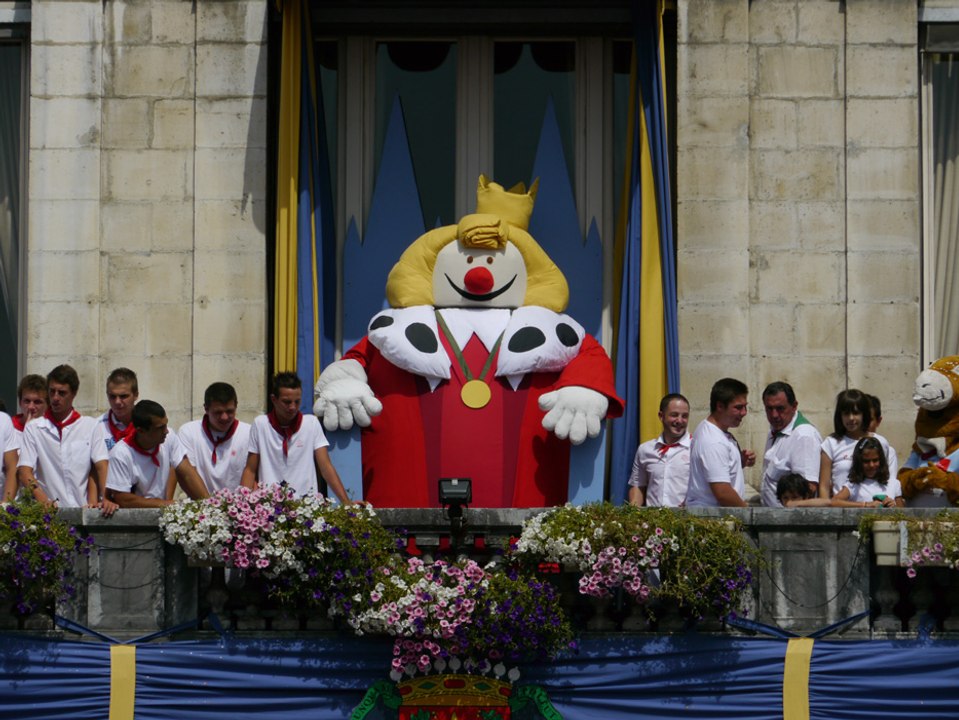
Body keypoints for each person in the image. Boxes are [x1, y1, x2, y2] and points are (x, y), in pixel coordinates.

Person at [16, 364, 116, 515]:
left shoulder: (90, 425)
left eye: (62, 393)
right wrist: (43, 499)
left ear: (74, 393)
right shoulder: (34, 428)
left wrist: (107, 497)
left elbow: (101, 465)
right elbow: (24, 471)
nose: (55, 398)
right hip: (50, 514)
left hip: (83, 511)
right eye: (52, 391)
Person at [241, 372, 351, 503]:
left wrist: (347, 503)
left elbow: (326, 467)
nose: (292, 407)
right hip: (270, 506)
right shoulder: (261, 424)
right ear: (274, 399)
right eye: (287, 402)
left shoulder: (311, 423)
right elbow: (250, 470)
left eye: (297, 401)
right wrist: (242, 505)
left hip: (306, 506)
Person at [106, 400, 210, 508]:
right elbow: (123, 499)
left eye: (166, 425)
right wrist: (166, 504)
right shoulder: (120, 454)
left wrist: (208, 505)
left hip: (162, 510)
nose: (166, 431)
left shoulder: (170, 437)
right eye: (160, 428)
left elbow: (187, 472)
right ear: (141, 431)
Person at [685, 378, 754, 508]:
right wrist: (749, 514)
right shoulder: (714, 441)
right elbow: (723, 493)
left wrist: (739, 462)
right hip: (714, 517)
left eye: (745, 406)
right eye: (738, 407)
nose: (744, 413)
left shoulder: (712, 430)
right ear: (720, 406)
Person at [819, 389, 897, 498]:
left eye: (856, 413)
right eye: (846, 413)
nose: (851, 418)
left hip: (874, 506)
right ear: (839, 416)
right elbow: (824, 487)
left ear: (864, 414)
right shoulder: (830, 443)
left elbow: (887, 480)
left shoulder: (881, 442)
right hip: (841, 507)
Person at [178, 382, 251, 493]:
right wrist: (208, 502)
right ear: (206, 409)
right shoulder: (188, 432)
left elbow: (253, 474)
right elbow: (187, 476)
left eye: (229, 411)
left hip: (239, 502)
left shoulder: (249, 433)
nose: (224, 417)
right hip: (201, 501)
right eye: (218, 412)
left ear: (236, 406)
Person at [760, 381, 822, 507]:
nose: (774, 415)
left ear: (794, 406)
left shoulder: (804, 436)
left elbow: (808, 489)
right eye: (769, 409)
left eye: (780, 408)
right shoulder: (776, 429)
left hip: (789, 517)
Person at [627, 393, 691, 507]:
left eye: (684, 416)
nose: (680, 420)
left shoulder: (696, 448)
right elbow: (638, 485)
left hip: (686, 516)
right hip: (654, 517)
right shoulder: (645, 449)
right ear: (661, 416)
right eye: (674, 415)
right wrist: (634, 511)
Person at [93, 367, 139, 456]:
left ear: (136, 395)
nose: (117, 402)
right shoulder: (96, 428)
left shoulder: (150, 425)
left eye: (123, 396)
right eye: (112, 396)